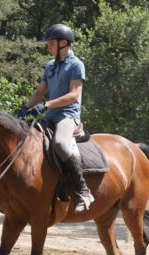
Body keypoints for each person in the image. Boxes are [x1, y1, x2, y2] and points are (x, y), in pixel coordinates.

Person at [18, 23, 94, 212]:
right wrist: (25, 108)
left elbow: (74, 94)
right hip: (50, 115)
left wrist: (46, 105)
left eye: (51, 43)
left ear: (63, 43)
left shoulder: (76, 65)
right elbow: (40, 91)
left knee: (60, 143)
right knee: (23, 138)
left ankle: (83, 190)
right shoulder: (50, 66)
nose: (48, 47)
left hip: (67, 116)